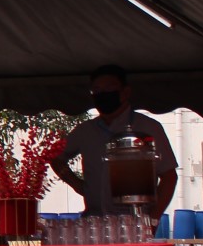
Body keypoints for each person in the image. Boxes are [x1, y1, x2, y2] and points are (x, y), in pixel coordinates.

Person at [49, 64, 178, 218]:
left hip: (134, 222)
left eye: (109, 89)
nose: (102, 94)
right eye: (96, 90)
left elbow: (169, 177)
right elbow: (55, 157)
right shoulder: (85, 130)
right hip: (95, 221)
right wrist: (78, 185)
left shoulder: (148, 128)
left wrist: (154, 219)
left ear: (125, 92)